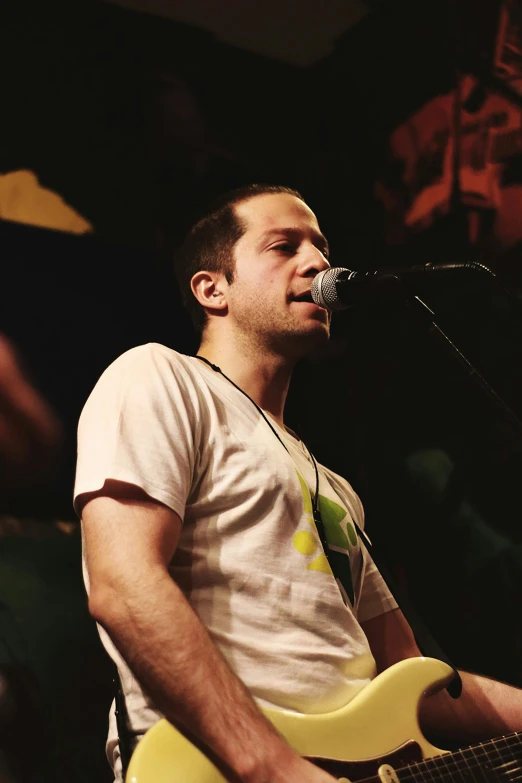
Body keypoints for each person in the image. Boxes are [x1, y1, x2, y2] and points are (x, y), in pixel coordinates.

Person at [73, 184, 522, 783]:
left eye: (321, 246)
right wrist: (272, 766)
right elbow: (122, 586)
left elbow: (412, 677)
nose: (318, 264)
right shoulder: (159, 378)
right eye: (284, 246)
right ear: (212, 289)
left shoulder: (331, 483)